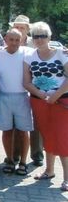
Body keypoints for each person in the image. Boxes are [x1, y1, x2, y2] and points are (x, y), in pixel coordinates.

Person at [23, 22, 68, 192]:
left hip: (61, 101)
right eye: (36, 36)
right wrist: (41, 94)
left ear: (50, 37)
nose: (39, 39)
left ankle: (66, 178)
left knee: (62, 138)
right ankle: (49, 171)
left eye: (43, 35)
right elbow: (26, 82)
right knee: (47, 135)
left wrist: (55, 95)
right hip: (39, 101)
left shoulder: (62, 54)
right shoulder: (29, 57)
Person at [0, 29, 32, 176]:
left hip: (22, 96)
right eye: (12, 39)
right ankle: (9, 160)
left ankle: (23, 162)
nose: (15, 43)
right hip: (3, 96)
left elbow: (46, 52)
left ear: (22, 40)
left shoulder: (28, 52)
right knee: (7, 131)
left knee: (23, 131)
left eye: (18, 39)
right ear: (6, 39)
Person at [9, 14, 43, 167]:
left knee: (36, 123)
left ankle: (37, 154)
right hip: (16, 88)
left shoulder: (34, 43)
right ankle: (15, 154)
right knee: (17, 124)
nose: (19, 29)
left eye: (22, 27)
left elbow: (47, 52)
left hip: (34, 88)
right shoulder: (10, 42)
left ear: (28, 29)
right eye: (17, 26)